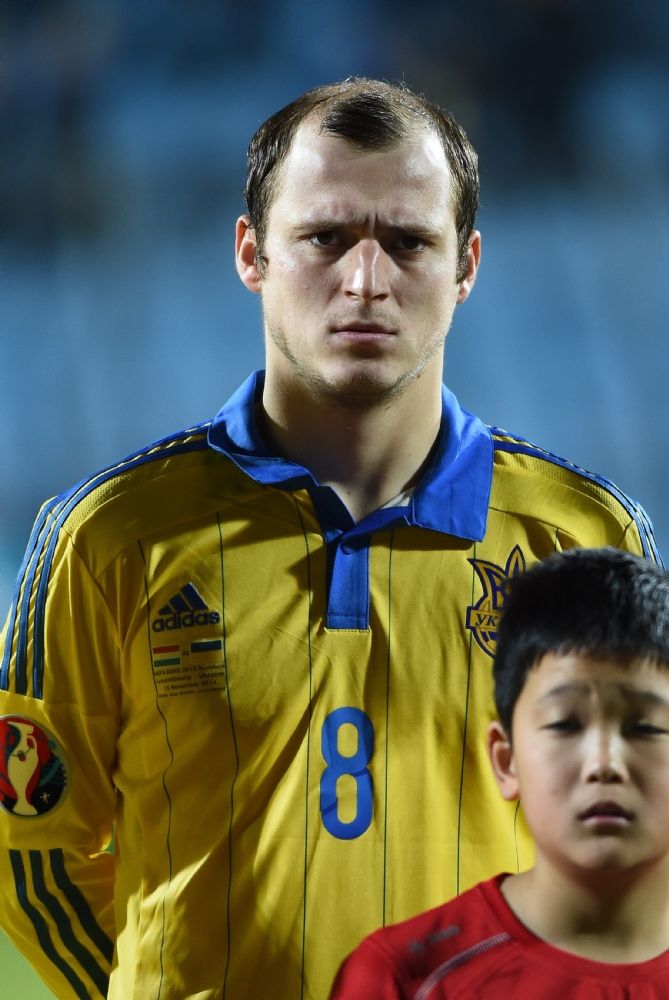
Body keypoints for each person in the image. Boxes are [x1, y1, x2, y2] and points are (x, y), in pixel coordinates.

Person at [0, 78, 660, 1000]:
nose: (365, 280)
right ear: (251, 253)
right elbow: (28, 848)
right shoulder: (106, 536)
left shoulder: (582, 535)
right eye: (324, 237)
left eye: (408, 242)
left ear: (465, 265)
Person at [330, 548, 669, 998]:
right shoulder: (403, 978)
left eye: (645, 727)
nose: (603, 764)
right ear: (507, 761)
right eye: (565, 724)